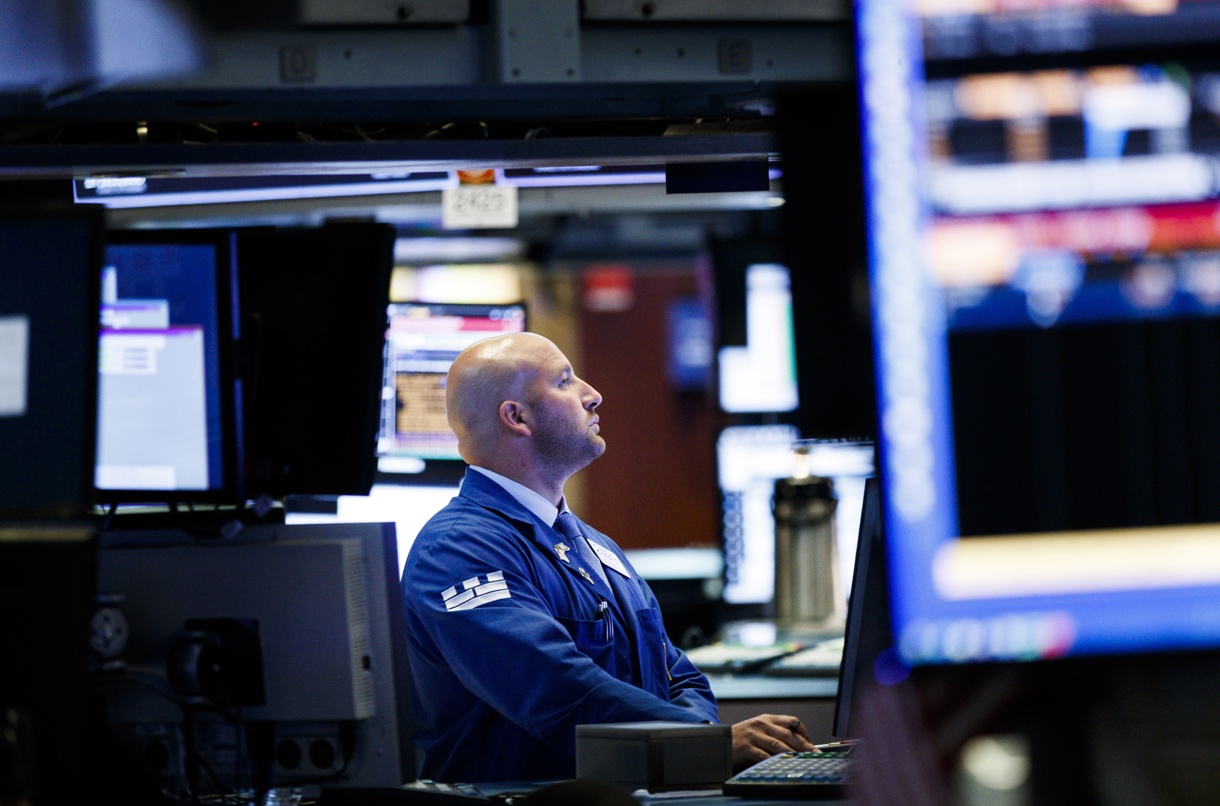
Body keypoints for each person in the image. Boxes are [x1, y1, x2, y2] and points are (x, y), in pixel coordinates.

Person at [402, 332, 815, 783]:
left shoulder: (594, 545)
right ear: (516, 417)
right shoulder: (458, 550)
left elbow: (679, 674)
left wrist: (698, 740)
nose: (593, 395)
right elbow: (556, 691)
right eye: (564, 381)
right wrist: (704, 743)